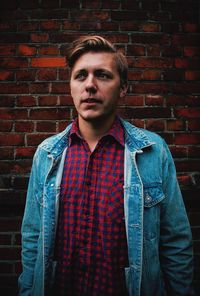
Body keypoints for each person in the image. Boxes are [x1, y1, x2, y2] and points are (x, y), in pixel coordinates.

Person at [18, 35, 194, 296]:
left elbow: (175, 242)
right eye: (80, 76)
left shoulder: (153, 153)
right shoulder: (46, 155)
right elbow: (32, 238)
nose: (90, 85)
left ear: (123, 87)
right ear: (70, 86)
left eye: (102, 75)